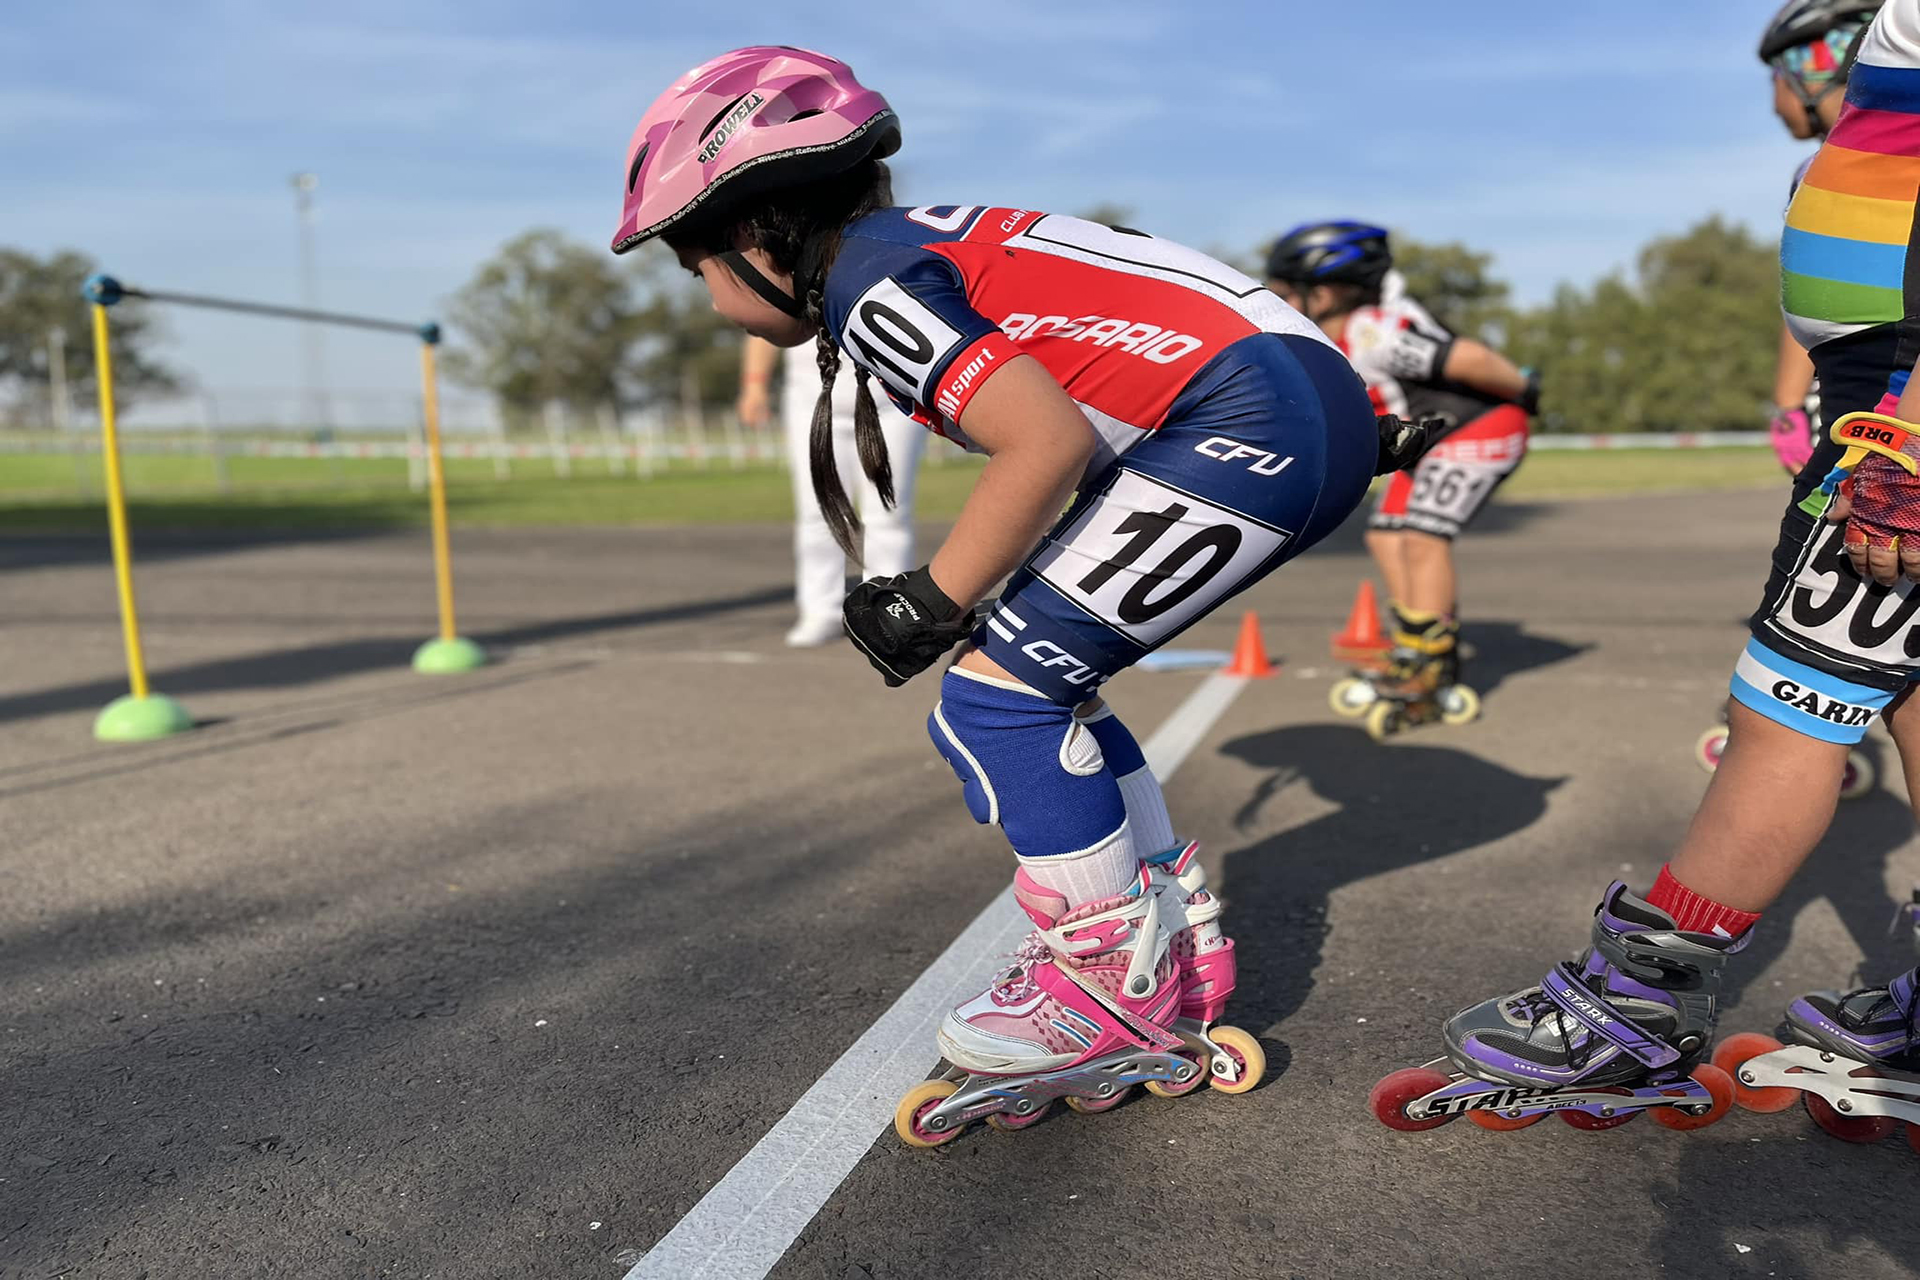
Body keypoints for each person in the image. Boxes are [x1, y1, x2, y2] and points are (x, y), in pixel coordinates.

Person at [611, 46, 1415, 1145]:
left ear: (760, 230)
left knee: (992, 701)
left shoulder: (867, 278)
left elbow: (1040, 442)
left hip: (1247, 421)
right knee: (1046, 678)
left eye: (690, 262)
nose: (706, 299)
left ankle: (1103, 989)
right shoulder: (929, 236)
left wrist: (931, 599)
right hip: (1292, 394)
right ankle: (1163, 941)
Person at [1371, 0, 1920, 1138]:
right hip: (1880, 387)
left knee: (1785, 714)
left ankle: (1637, 1005)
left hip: (1903, 405)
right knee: (1906, 695)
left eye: (1783, 75)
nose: (1777, 102)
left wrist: (1906, 438)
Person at [1265, 225, 1537, 729]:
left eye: (1285, 294)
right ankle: (1420, 644)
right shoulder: (1333, 337)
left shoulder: (1374, 332)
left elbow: (1472, 358)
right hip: (1431, 443)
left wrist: (1526, 389)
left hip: (1481, 425)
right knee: (1386, 537)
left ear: (1321, 293)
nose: (1278, 303)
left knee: (1421, 537)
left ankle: (1428, 666)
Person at [737, 334, 924, 646]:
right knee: (818, 512)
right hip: (811, 394)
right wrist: (755, 384)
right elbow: (766, 316)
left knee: (888, 510)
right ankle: (820, 610)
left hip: (892, 394)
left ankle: (888, 614)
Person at [1762, 1, 1884, 474]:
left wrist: (1789, 409)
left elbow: (1817, 293)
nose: (1772, 102)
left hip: (1870, 409)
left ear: (1809, 73)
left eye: (1773, 77)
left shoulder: (1824, 171)